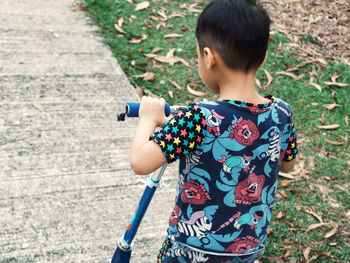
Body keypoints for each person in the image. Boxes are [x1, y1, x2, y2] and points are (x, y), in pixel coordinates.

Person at [129, 0, 298, 262]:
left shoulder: (198, 118)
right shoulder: (282, 112)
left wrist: (148, 118)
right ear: (262, 58)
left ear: (208, 57)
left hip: (191, 252)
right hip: (247, 250)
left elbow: (140, 161)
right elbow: (287, 164)